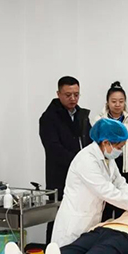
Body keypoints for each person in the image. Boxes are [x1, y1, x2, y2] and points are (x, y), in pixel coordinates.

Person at [51, 118, 128, 248]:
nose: (120, 151)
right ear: (106, 143)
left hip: (91, 219)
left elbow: (119, 182)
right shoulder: (86, 160)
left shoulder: (107, 157)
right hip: (75, 222)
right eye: (119, 147)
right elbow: (105, 190)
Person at [39, 76, 93, 243]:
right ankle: (51, 252)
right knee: (57, 219)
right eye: (68, 95)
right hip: (60, 176)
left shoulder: (82, 115)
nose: (73, 99)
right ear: (58, 94)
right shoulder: (48, 118)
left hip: (81, 176)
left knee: (80, 219)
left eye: (76, 94)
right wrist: (79, 162)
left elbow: (91, 143)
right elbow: (53, 149)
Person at [96, 81, 128, 221]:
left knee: (124, 209)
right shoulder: (100, 121)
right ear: (107, 102)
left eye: (121, 101)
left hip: (126, 168)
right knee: (105, 207)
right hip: (106, 167)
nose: (117, 104)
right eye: (114, 101)